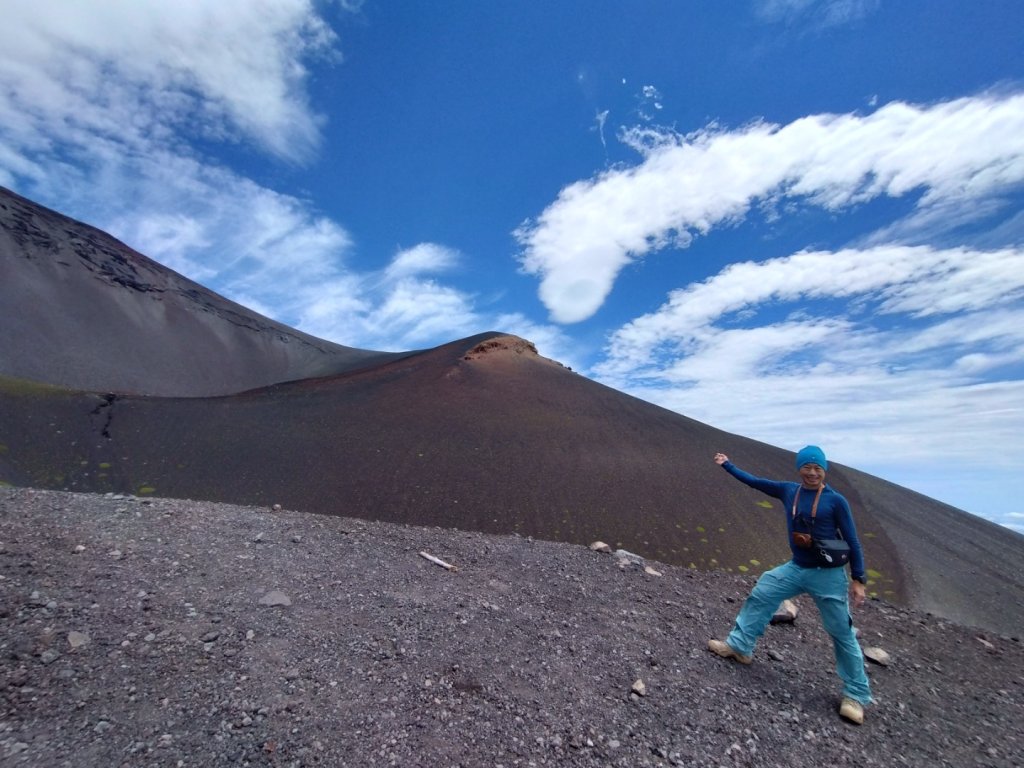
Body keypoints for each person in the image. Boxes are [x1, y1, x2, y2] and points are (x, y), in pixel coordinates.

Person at [707, 446, 873, 724]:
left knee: (841, 631)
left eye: (818, 468)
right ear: (799, 468)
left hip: (829, 575)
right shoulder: (789, 491)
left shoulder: (836, 501)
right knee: (764, 590)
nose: (812, 473)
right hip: (797, 568)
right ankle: (739, 646)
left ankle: (856, 695)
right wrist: (727, 464)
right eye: (807, 467)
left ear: (824, 471)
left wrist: (858, 578)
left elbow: (852, 540)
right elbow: (755, 481)